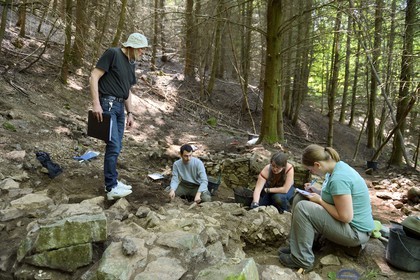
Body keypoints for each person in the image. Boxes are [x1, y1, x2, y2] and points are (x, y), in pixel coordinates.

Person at [278, 144, 375, 271]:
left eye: (310, 169)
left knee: (303, 208)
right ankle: (296, 247)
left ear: (317, 165)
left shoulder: (339, 178)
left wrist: (320, 201)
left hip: (355, 232)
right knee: (299, 198)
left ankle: (302, 260)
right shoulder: (335, 169)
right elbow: (335, 198)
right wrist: (317, 192)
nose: (311, 172)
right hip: (348, 225)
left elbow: (345, 217)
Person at [90, 33, 149, 200]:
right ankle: (111, 187)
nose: (142, 52)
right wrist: (96, 104)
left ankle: (113, 182)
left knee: (117, 146)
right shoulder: (113, 53)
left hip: (120, 108)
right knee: (113, 145)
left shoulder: (131, 63)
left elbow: (127, 90)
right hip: (107, 104)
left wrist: (130, 112)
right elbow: (94, 76)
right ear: (131, 47)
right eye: (140, 49)